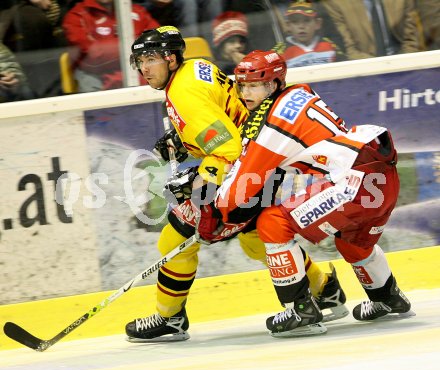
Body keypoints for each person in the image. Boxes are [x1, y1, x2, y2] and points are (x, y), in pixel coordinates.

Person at [124, 26, 348, 342]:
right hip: (262, 162)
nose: (144, 68)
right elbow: (224, 111)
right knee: (255, 241)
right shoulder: (198, 66)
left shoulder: (183, 94)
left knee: (173, 240)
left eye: (151, 58)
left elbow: (226, 148)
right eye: (139, 60)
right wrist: (181, 136)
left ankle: (169, 318)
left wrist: (205, 190)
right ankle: (325, 290)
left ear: (171, 59)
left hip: (245, 171)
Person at [196, 50, 414, 336]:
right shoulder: (300, 93)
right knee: (352, 240)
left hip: (353, 183)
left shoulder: (270, 123)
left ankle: (300, 310)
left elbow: (239, 191)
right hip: (382, 176)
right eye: (242, 85)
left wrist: (214, 213)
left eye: (253, 85)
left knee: (273, 222)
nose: (245, 92)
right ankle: (388, 298)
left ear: (273, 85)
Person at [62, 0, 159, 92]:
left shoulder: (136, 11)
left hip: (136, 70)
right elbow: (94, 53)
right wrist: (136, 44)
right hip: (95, 75)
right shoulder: (77, 16)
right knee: (94, 100)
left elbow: (158, 40)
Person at [322, 0, 421, 60]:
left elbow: (411, 41)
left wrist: (402, 66)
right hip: (364, 70)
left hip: (402, 64)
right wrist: (379, 68)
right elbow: (349, 51)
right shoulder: (335, 3)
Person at [278, 2, 344, 68]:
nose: (301, 26)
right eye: (295, 22)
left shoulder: (330, 45)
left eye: (307, 21)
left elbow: (345, 70)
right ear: (288, 25)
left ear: (317, 23)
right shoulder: (279, 53)